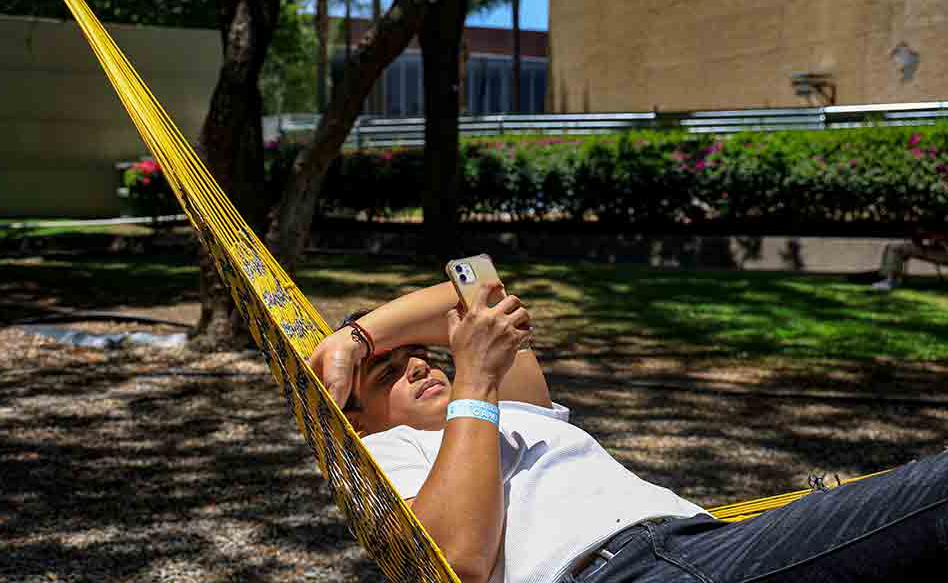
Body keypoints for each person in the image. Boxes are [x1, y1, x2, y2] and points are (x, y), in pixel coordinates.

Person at [311, 279, 948, 583]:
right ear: (355, 416)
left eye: (415, 353)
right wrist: (472, 380)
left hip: (711, 543)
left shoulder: (517, 409)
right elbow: (454, 562)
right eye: (387, 375)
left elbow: (478, 284)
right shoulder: (382, 455)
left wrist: (359, 337)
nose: (419, 361)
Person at [873, 227, 948, 291]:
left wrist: (939, 236)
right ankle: (890, 280)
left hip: (943, 252)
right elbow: (919, 240)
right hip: (932, 249)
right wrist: (919, 234)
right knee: (894, 247)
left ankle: (891, 281)